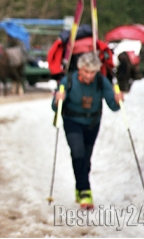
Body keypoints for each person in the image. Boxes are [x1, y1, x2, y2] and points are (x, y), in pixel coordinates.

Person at [51, 52, 124, 209]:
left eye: (93, 72)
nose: (89, 76)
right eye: (86, 72)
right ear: (80, 69)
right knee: (78, 153)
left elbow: (113, 106)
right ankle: (85, 193)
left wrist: (118, 101)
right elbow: (54, 107)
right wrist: (58, 100)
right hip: (72, 122)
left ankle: (79, 187)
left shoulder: (100, 81)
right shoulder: (68, 80)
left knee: (86, 160)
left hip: (92, 123)